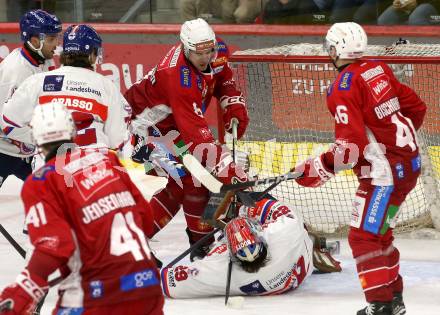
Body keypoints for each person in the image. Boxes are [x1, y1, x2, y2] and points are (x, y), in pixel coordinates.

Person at [293, 22, 426, 315]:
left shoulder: (342, 88)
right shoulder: (378, 68)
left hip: (384, 177)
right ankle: (393, 300)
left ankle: (380, 305)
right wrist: (393, 146)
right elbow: (416, 108)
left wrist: (319, 168)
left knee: (364, 237)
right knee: (379, 233)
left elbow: (349, 149)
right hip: (408, 167)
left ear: (333, 50)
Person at [0, 103, 163, 315]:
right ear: (73, 132)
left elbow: (53, 247)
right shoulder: (109, 160)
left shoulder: (43, 180)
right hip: (148, 287)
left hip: (97, 295)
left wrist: (24, 290)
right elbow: (145, 218)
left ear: (36, 139)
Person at [124, 18, 249, 261]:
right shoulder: (178, 78)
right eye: (198, 53)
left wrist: (233, 108)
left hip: (173, 126)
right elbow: (197, 139)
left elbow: (224, 81)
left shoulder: (216, 50)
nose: (205, 57)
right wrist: (226, 167)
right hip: (145, 129)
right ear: (184, 47)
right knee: (191, 179)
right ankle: (201, 244)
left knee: (181, 184)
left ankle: (138, 238)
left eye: (209, 51)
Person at [161, 197, 341, 298]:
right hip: (299, 255)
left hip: (291, 276)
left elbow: (167, 282)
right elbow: (281, 210)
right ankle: (317, 245)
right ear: (260, 236)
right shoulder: (284, 231)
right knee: (303, 231)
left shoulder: (222, 271)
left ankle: (315, 246)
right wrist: (244, 208)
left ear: (230, 253)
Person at [1, 24, 130, 154]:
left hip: (49, 169)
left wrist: (40, 138)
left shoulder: (38, 81)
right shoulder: (107, 87)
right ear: (92, 55)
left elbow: (7, 122)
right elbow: (118, 140)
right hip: (92, 168)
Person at [0, 9, 61, 188]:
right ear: (35, 41)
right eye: (51, 39)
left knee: (50, 194)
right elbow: (6, 123)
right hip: (2, 151)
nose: (57, 44)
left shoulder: (45, 61)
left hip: (24, 150)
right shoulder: (16, 72)